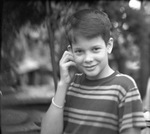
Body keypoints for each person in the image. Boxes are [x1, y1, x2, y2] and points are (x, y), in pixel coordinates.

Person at [41, 8, 146, 134]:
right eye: (79, 51)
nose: (88, 59)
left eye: (95, 49)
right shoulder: (71, 85)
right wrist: (63, 84)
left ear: (108, 46)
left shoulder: (125, 88)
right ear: (71, 52)